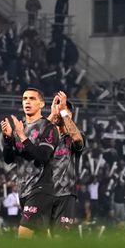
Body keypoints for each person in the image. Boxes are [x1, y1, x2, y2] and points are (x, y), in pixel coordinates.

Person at [0, 87, 59, 239]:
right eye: (25, 98)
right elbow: (9, 159)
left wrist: (22, 136)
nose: (27, 101)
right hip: (24, 189)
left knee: (24, 234)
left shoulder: (48, 127)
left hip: (41, 187)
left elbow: (43, 157)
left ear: (41, 104)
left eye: (32, 98)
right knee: (40, 237)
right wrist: (7, 140)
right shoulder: (20, 128)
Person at [47, 91, 84, 234]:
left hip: (65, 193)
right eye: (57, 108)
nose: (58, 112)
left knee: (60, 237)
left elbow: (78, 139)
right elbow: (33, 138)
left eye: (62, 109)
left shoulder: (74, 137)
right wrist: (52, 114)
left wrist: (63, 111)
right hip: (43, 192)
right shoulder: (46, 137)